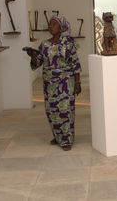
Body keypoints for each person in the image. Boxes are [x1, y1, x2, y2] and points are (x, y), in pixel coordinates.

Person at [27, 15, 81, 151]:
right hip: (49, 84)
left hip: (65, 83)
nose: (51, 26)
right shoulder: (44, 44)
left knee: (66, 111)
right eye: (50, 24)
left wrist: (78, 82)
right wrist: (33, 55)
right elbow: (38, 62)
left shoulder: (68, 43)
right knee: (52, 111)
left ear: (61, 27)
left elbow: (75, 62)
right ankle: (58, 137)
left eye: (54, 24)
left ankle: (67, 140)